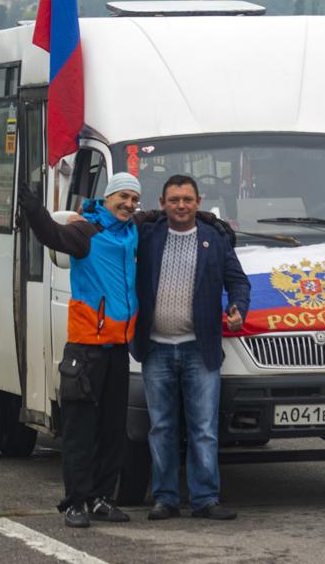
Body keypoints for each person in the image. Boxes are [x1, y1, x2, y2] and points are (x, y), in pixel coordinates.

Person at [18, 172, 143, 529]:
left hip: (118, 349)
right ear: (108, 197)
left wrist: (212, 219)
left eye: (134, 200)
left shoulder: (133, 231)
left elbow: (169, 216)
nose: (129, 205)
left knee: (112, 431)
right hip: (85, 351)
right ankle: (75, 503)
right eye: (123, 197)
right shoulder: (86, 232)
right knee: (79, 431)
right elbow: (51, 236)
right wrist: (34, 209)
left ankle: (102, 498)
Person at [131, 174, 250, 522]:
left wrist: (238, 308)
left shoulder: (214, 239)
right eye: (173, 200)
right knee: (162, 428)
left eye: (186, 199)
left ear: (198, 202)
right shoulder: (148, 237)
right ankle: (165, 499)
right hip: (156, 350)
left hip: (201, 350)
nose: (180, 205)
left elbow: (238, 281)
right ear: (163, 203)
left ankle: (205, 499)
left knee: (204, 429)